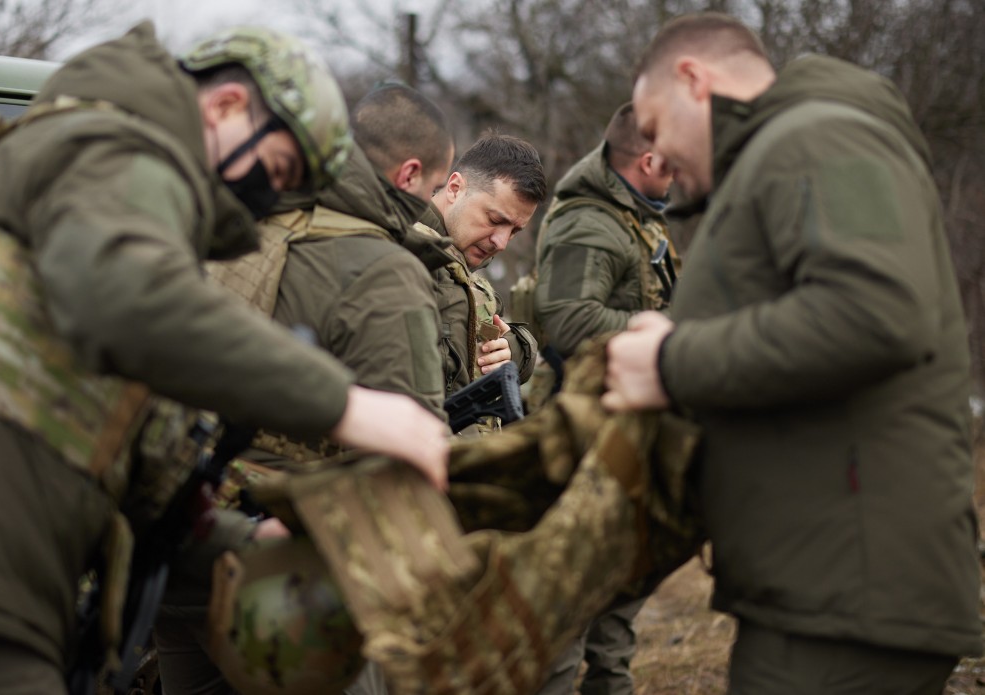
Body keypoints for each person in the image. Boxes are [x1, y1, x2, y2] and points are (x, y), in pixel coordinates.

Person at [0, 22, 447, 693]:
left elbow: (143, 486)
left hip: (5, 590)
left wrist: (246, 546)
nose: (261, 204)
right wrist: (346, 406)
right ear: (227, 107)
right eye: (274, 173)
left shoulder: (129, 210)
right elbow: (119, 295)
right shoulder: (106, 146)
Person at [604, 12, 981, 695]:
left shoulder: (817, 137)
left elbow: (875, 313)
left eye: (655, 128)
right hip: (826, 584)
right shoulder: (783, 152)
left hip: (848, 595)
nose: (654, 158)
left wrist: (669, 363)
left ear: (694, 79)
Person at [154, 82, 457, 695]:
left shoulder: (229, 222)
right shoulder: (382, 271)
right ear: (410, 173)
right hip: (290, 581)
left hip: (179, 549)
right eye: (429, 193)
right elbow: (408, 460)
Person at [530, 102, 675, 695]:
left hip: (623, 432)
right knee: (571, 600)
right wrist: (667, 337)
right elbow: (566, 322)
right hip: (581, 433)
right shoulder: (591, 222)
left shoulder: (638, 216)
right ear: (649, 159)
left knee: (619, 592)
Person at [420, 134, 546, 405]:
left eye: (514, 231)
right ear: (455, 188)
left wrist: (511, 350)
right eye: (495, 219)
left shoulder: (467, 268)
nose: (501, 242)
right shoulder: (402, 251)